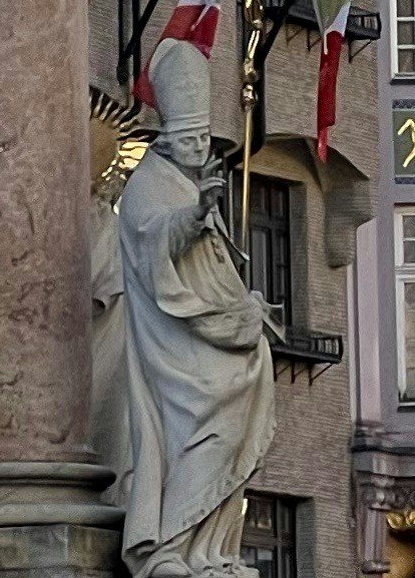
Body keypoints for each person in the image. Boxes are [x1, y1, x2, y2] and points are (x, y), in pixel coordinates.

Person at [100, 40, 278, 578]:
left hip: (208, 334)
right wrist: (197, 213)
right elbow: (153, 239)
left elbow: (214, 266)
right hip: (174, 341)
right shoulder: (148, 185)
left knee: (229, 427)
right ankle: (169, 547)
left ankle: (210, 551)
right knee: (208, 430)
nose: (200, 146)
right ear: (168, 138)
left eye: (204, 136)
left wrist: (242, 304)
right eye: (190, 137)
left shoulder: (192, 179)